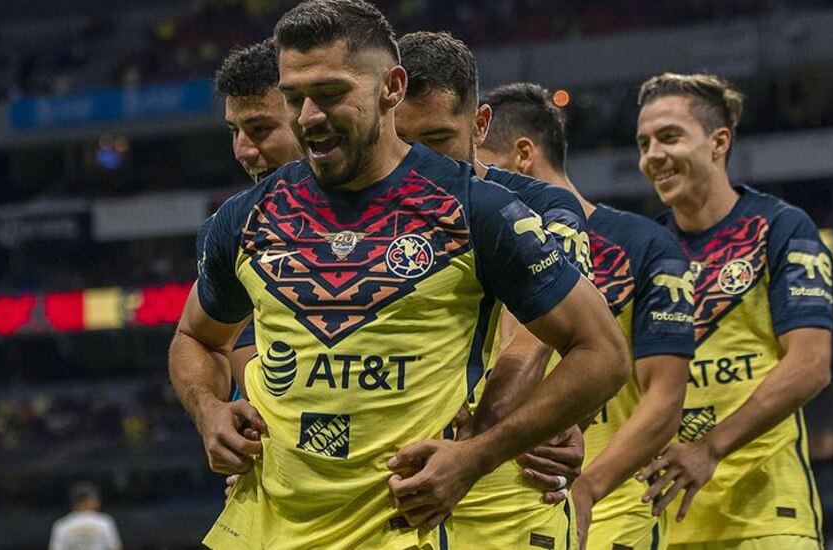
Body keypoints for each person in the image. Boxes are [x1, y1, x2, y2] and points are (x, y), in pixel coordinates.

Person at [168, 1, 630, 548]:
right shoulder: (246, 217)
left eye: (333, 94)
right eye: (294, 98)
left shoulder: (477, 210)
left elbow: (602, 352)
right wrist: (209, 410)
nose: (310, 116)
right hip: (261, 527)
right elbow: (196, 336)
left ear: (391, 86)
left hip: (403, 528)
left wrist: (478, 454)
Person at [395, 31, 599, 550]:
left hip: (505, 482)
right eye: (404, 143)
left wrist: (474, 443)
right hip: (393, 480)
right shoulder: (367, 210)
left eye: (439, 140)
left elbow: (536, 334)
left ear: (480, 124)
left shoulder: (542, 206)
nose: (424, 165)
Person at [478, 82, 695, 550]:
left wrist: (590, 487)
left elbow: (665, 401)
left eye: (483, 165)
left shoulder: (645, 247)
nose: (472, 180)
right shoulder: (483, 245)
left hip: (612, 505)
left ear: (522, 155)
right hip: (496, 497)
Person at [632, 73, 833, 550]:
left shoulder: (779, 228)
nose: (652, 156)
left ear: (719, 141)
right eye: (643, 143)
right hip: (668, 522)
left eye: (669, 137)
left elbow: (810, 365)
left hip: (767, 519)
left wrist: (709, 448)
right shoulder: (644, 251)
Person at [209, 38, 306, 402]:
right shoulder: (236, 227)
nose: (242, 150)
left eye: (261, 129)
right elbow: (211, 341)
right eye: (235, 131)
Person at [48, 482, 122, 550]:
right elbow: (114, 547)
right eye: (95, 499)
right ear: (88, 501)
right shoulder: (104, 522)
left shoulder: (62, 525)